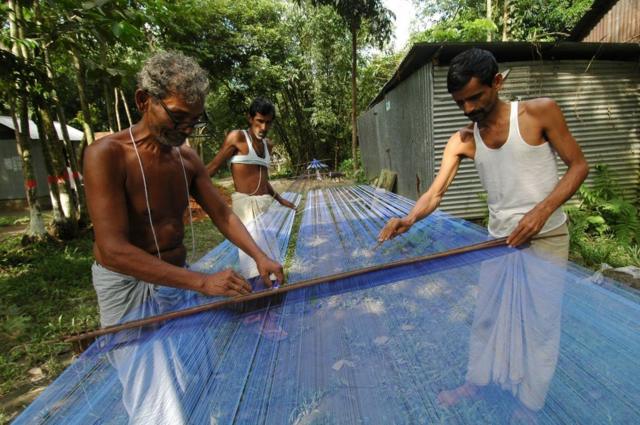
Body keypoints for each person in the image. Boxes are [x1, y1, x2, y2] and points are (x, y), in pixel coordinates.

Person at [83, 51, 284, 328]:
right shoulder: (107, 155)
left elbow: (222, 214)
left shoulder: (186, 159)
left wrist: (260, 256)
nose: (187, 129)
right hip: (127, 285)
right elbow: (113, 249)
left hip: (178, 278)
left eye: (195, 120)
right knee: (148, 368)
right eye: (178, 116)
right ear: (143, 101)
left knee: (192, 364)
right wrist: (202, 281)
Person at [378, 48, 589, 261]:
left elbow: (579, 166)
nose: (468, 108)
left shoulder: (540, 113)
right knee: (492, 296)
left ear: (497, 82)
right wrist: (410, 218)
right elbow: (435, 194)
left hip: (546, 237)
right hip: (498, 241)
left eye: (475, 97)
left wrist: (542, 212)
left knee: (542, 296)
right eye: (460, 102)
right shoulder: (462, 141)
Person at [206, 97, 296, 279]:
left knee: (270, 252)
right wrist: (185, 187)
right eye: (259, 121)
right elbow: (212, 168)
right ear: (250, 118)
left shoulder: (267, 145)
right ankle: (259, 295)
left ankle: (273, 293)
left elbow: (262, 180)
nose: (263, 128)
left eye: (268, 123)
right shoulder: (237, 138)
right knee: (252, 259)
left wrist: (279, 199)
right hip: (246, 209)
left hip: (265, 207)